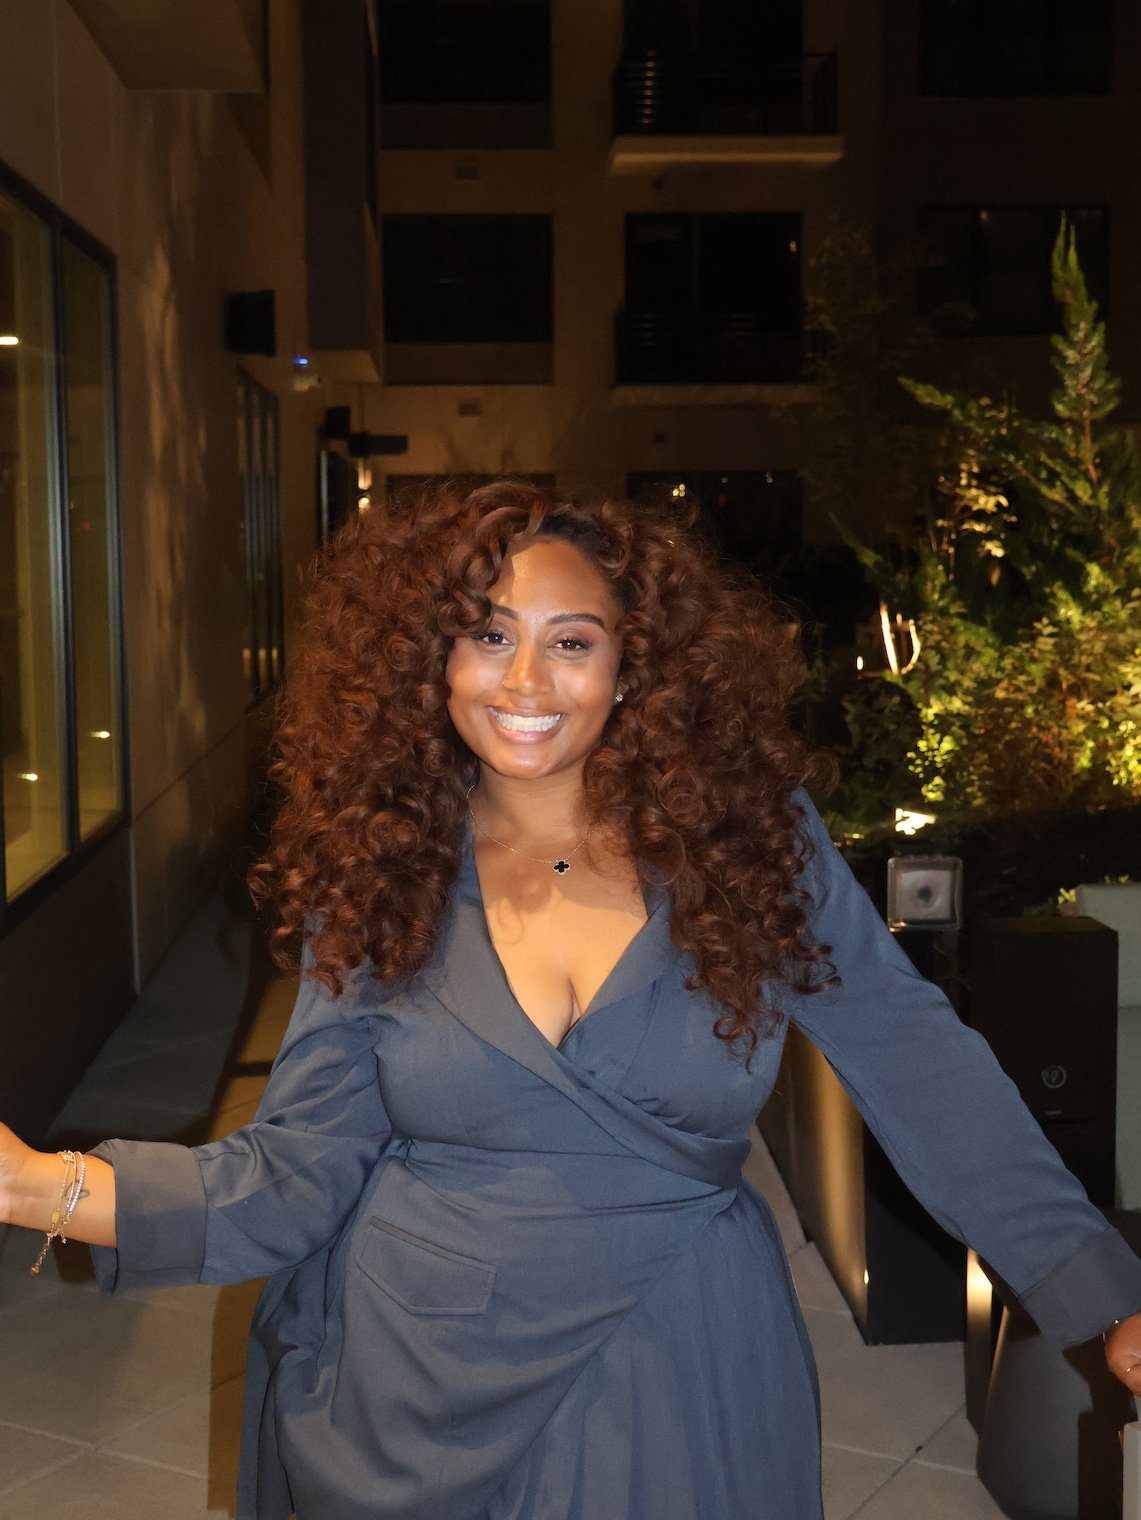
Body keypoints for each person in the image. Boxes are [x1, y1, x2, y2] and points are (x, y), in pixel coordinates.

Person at [1, 479, 1140, 1520]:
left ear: (632, 666)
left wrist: (1099, 1291)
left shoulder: (745, 845)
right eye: (488, 634)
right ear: (429, 658)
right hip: (415, 1382)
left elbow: (917, 1063)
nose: (525, 683)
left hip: (681, 1355)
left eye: (571, 641)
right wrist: (33, 1184)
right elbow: (297, 1175)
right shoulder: (382, 870)